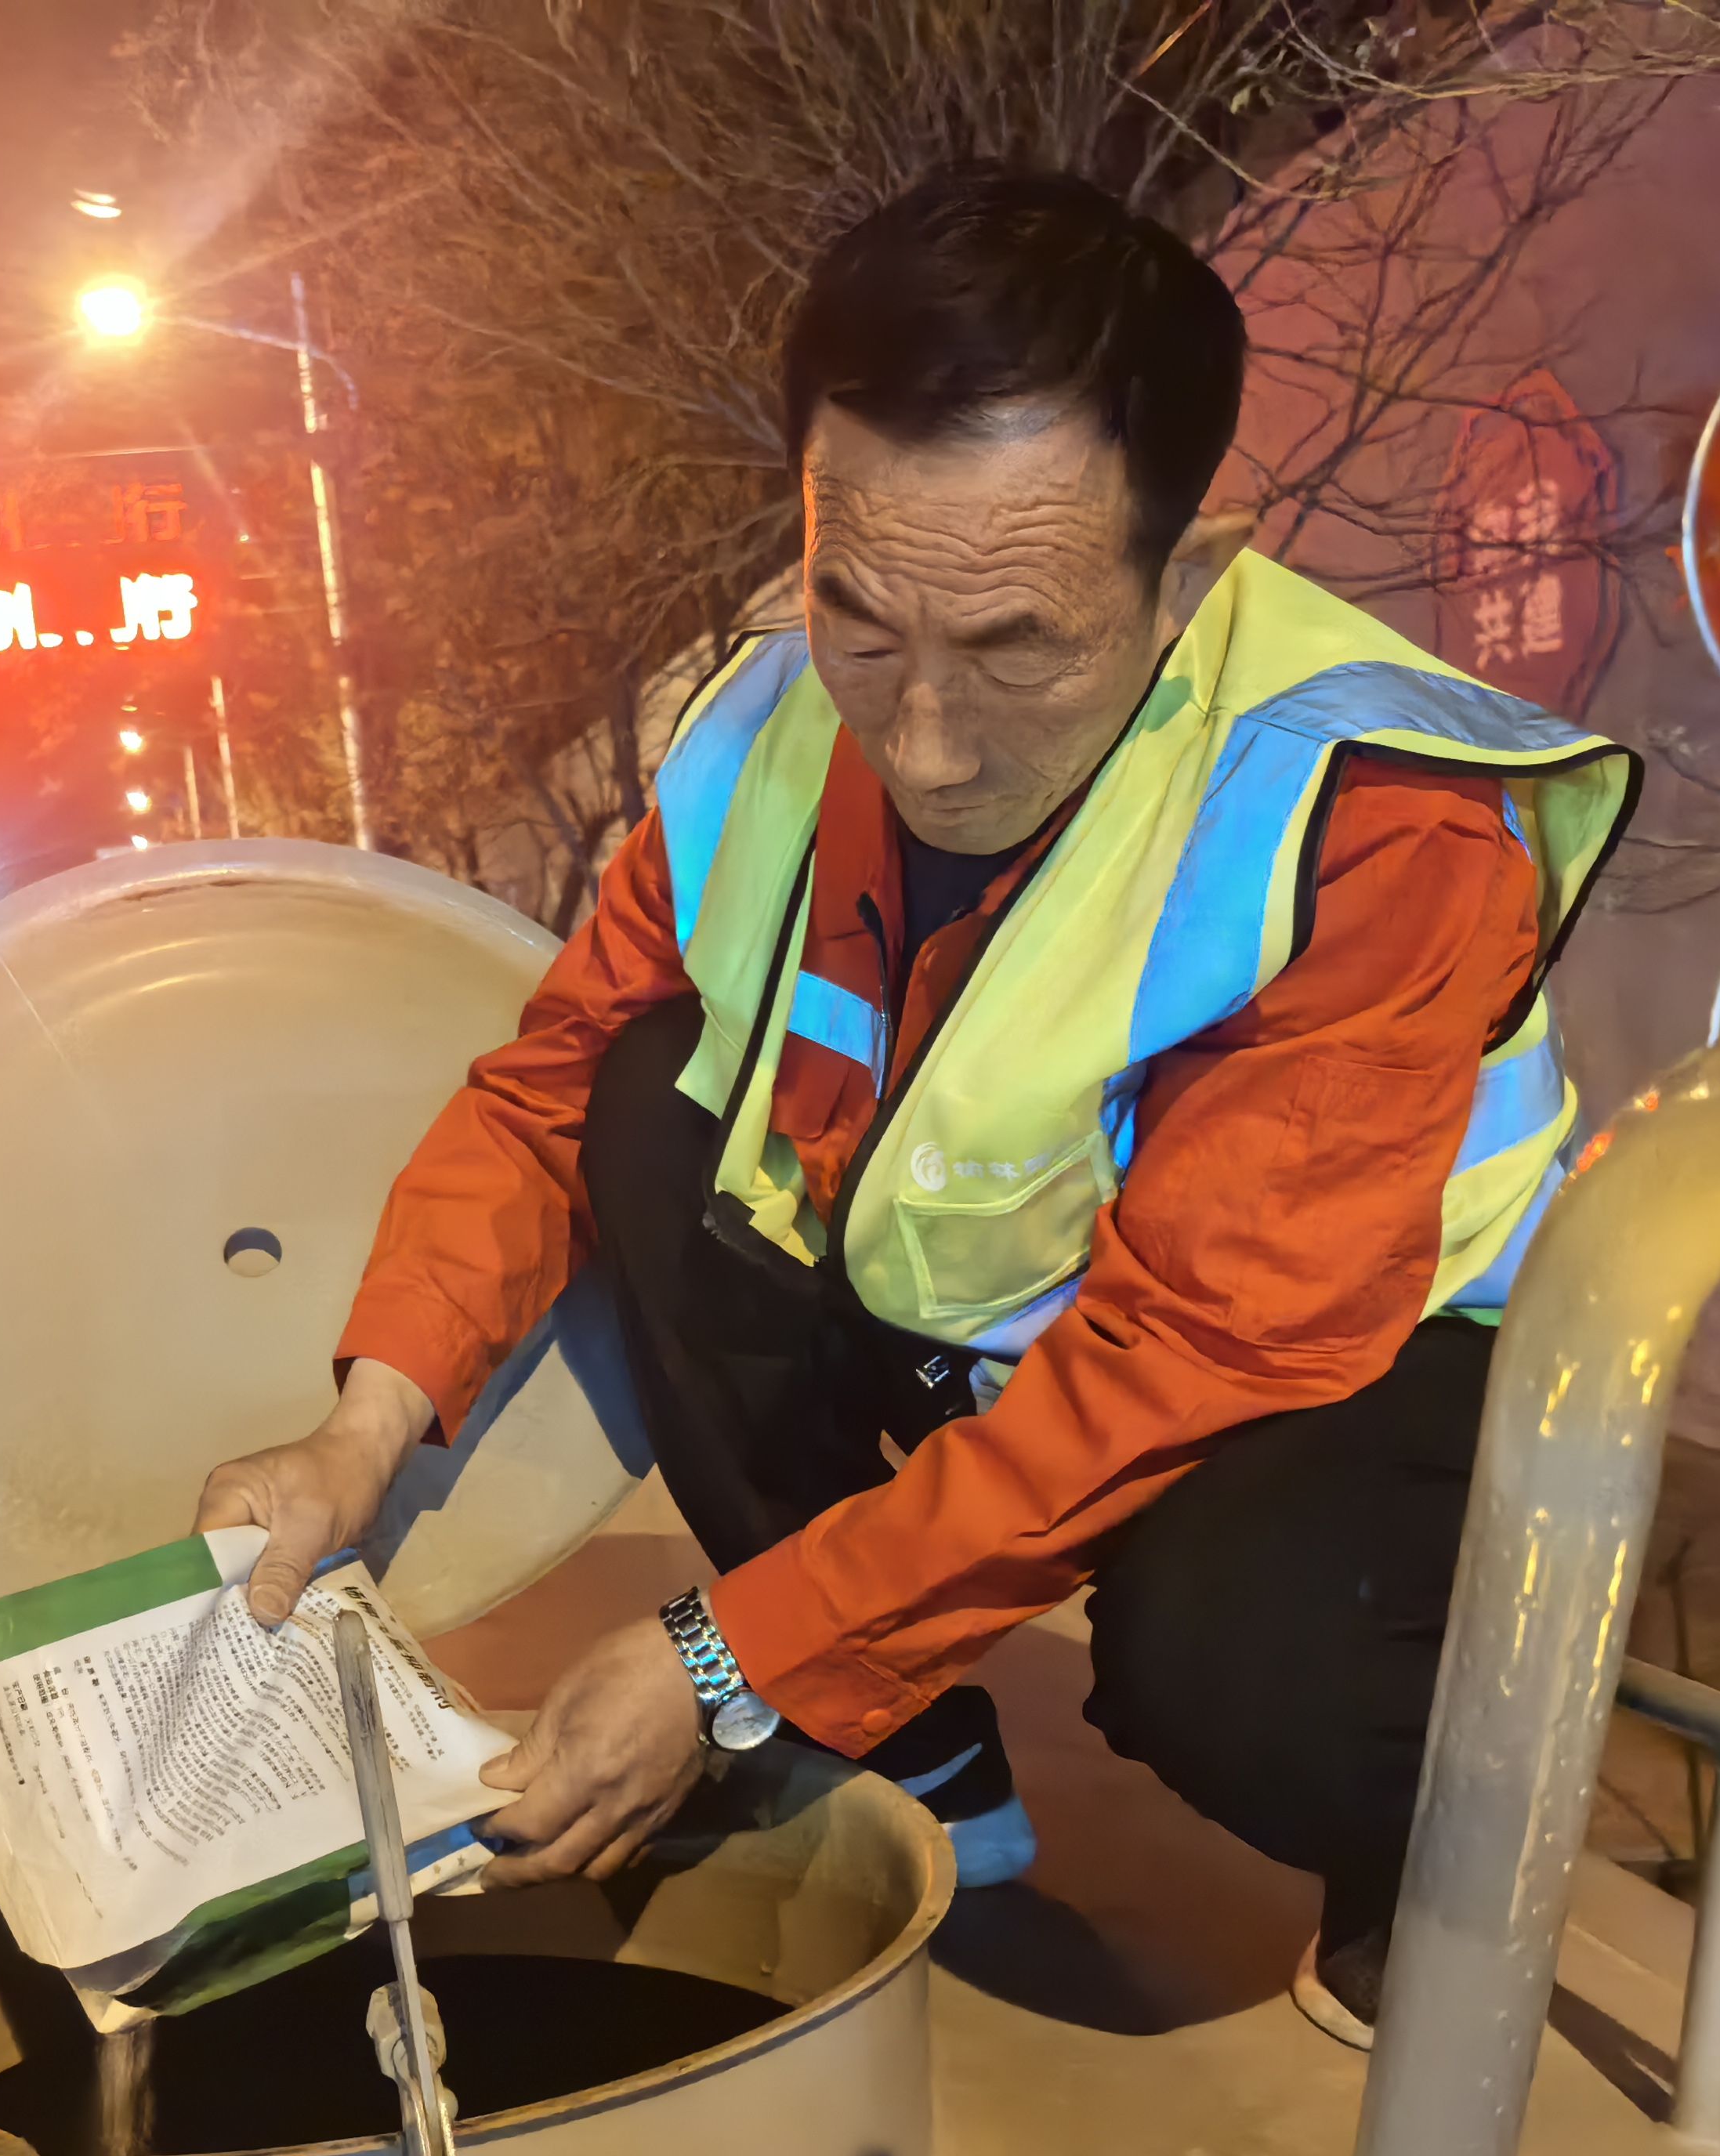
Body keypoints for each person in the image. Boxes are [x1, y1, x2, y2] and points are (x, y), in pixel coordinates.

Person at [196, 165, 1636, 2046]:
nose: (926, 742)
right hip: (991, 1316)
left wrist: (724, 1659)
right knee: (645, 1104)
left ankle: (1405, 1843)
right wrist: (358, 1431)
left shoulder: (1369, 815)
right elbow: (545, 1090)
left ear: (1187, 572)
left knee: (1240, 1668)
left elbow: (1200, 1351)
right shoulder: (763, 729)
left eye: (1018, 646)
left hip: (1339, 1380)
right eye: (860, 618)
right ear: (809, 519)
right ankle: (920, 1747)